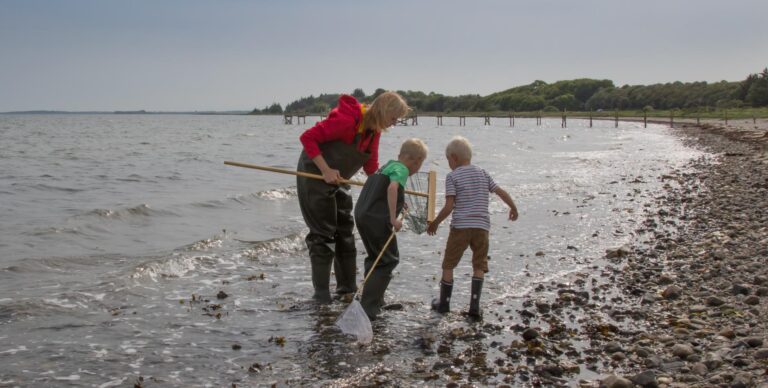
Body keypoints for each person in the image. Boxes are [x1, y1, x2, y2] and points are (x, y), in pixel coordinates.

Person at [297, 91, 410, 304]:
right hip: (314, 173)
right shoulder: (346, 120)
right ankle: (321, 295)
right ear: (384, 111)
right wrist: (326, 170)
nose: (394, 123)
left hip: (340, 180)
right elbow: (307, 138)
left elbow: (371, 168)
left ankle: (347, 289)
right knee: (323, 234)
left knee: (345, 231)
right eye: (394, 118)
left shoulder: (374, 132)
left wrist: (393, 193)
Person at [427, 136, 518, 318]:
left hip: (460, 226)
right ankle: (474, 307)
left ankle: (444, 304)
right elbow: (499, 191)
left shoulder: (453, 176)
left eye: (448, 160)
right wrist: (513, 207)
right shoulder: (483, 172)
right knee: (479, 264)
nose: (449, 164)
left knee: (449, 263)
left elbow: (449, 206)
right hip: (482, 227)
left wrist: (435, 223)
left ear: (453, 157)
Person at [354, 138, 428, 320]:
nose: (418, 168)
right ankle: (368, 308)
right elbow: (392, 188)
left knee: (375, 256)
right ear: (416, 161)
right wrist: (394, 219)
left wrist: (401, 206)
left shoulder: (388, 166)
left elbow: (383, 189)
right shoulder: (402, 169)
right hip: (377, 219)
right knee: (388, 259)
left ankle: (376, 300)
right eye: (420, 164)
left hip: (362, 214)